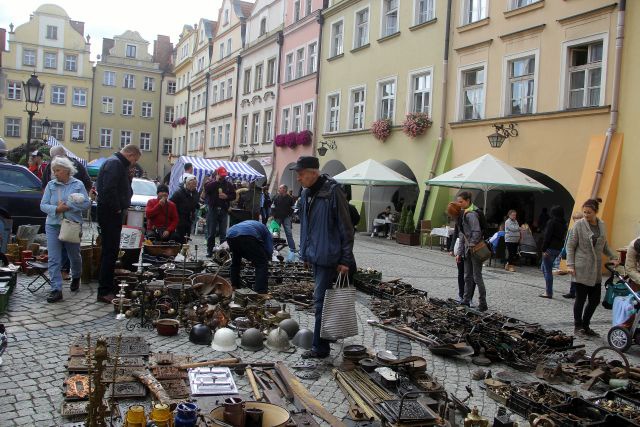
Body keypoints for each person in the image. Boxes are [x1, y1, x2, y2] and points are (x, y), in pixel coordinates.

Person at [294, 156, 355, 359]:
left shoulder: (333, 192)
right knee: (325, 300)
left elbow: (346, 228)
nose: (298, 178)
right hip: (316, 255)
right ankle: (328, 336)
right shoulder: (306, 193)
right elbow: (306, 227)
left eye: (301, 174)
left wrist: (345, 260)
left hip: (330, 257)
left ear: (313, 172)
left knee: (321, 301)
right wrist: (305, 253)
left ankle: (320, 348)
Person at [39, 157, 90, 302]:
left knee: (74, 255)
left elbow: (86, 204)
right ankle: (56, 289)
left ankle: (76, 276)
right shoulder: (50, 185)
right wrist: (57, 209)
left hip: (72, 225)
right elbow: (43, 205)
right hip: (53, 225)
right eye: (53, 171)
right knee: (54, 258)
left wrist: (70, 206)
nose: (55, 173)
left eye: (58, 170)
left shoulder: (78, 184)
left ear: (67, 170)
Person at [95, 144, 141, 303]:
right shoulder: (115, 163)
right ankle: (104, 290)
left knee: (111, 250)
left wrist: (129, 178)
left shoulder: (118, 164)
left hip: (111, 212)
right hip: (110, 213)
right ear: (130, 154)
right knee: (110, 250)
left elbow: (123, 190)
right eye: (135, 159)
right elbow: (108, 189)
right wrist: (116, 208)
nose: (134, 163)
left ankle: (105, 285)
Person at [566, 198, 618, 337]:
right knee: (580, 299)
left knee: (595, 300)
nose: (586, 215)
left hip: (595, 268)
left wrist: (613, 256)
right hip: (581, 266)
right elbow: (570, 246)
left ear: (596, 212)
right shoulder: (579, 225)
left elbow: (604, 245)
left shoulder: (601, 224)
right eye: (584, 212)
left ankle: (586, 324)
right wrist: (570, 264)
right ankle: (578, 326)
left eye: (589, 212)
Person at [455, 191, 488, 312]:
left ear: (468, 201)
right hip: (468, 250)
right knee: (467, 276)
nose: (459, 204)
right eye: (458, 202)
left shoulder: (471, 214)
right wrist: (460, 252)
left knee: (477, 276)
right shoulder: (463, 213)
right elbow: (462, 235)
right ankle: (466, 300)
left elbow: (477, 232)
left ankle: (482, 303)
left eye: (461, 201)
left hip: (474, 250)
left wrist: (472, 245)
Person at [226, 220, 273, 295]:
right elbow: (269, 249)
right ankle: (260, 291)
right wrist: (267, 259)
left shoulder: (251, 223)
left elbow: (246, 250)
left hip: (230, 234)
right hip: (248, 235)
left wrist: (252, 258)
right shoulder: (267, 231)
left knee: (236, 261)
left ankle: (234, 285)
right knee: (262, 263)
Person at [204, 167, 236, 256]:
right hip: (213, 209)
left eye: (224, 175)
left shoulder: (228, 184)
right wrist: (216, 181)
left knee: (223, 233)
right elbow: (206, 190)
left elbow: (233, 195)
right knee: (211, 232)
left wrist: (226, 196)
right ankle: (210, 250)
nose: (223, 177)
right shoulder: (211, 183)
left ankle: (223, 252)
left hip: (223, 210)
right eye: (221, 175)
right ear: (217, 174)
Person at [539, 206, 567, 299]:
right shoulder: (563, 223)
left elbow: (547, 236)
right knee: (544, 268)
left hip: (550, 248)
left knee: (547, 270)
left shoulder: (552, 222)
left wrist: (543, 249)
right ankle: (548, 289)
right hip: (557, 248)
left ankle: (548, 292)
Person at [170, 175, 200, 243]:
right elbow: (171, 203)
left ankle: (184, 252)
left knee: (186, 238)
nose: (194, 187)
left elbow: (195, 202)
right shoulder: (179, 192)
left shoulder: (195, 193)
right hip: (180, 218)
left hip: (189, 219)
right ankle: (178, 251)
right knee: (180, 238)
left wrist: (197, 205)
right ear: (187, 183)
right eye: (193, 185)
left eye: (195, 185)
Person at [561, 212, 584, 299]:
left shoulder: (583, 230)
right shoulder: (572, 229)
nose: (577, 221)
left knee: (578, 275)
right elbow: (568, 242)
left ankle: (577, 293)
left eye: (578, 219)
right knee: (573, 274)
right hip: (572, 254)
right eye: (575, 219)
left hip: (579, 255)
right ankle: (572, 292)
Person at [447, 202, 467, 303]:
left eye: (452, 214)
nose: (451, 216)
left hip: (467, 249)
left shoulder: (467, 217)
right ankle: (461, 295)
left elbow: (464, 236)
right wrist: (451, 249)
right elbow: (455, 234)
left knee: (468, 275)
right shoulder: (457, 220)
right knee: (460, 273)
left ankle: (467, 297)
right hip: (459, 248)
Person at [271, 184, 296, 257]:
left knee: (288, 233)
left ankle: (292, 248)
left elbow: (293, 207)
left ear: (285, 189)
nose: (279, 189)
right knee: (275, 232)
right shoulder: (275, 197)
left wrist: (289, 214)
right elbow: (272, 206)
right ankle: (274, 247)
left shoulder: (290, 198)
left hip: (286, 218)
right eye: (279, 188)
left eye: (280, 188)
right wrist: (273, 215)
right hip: (277, 217)